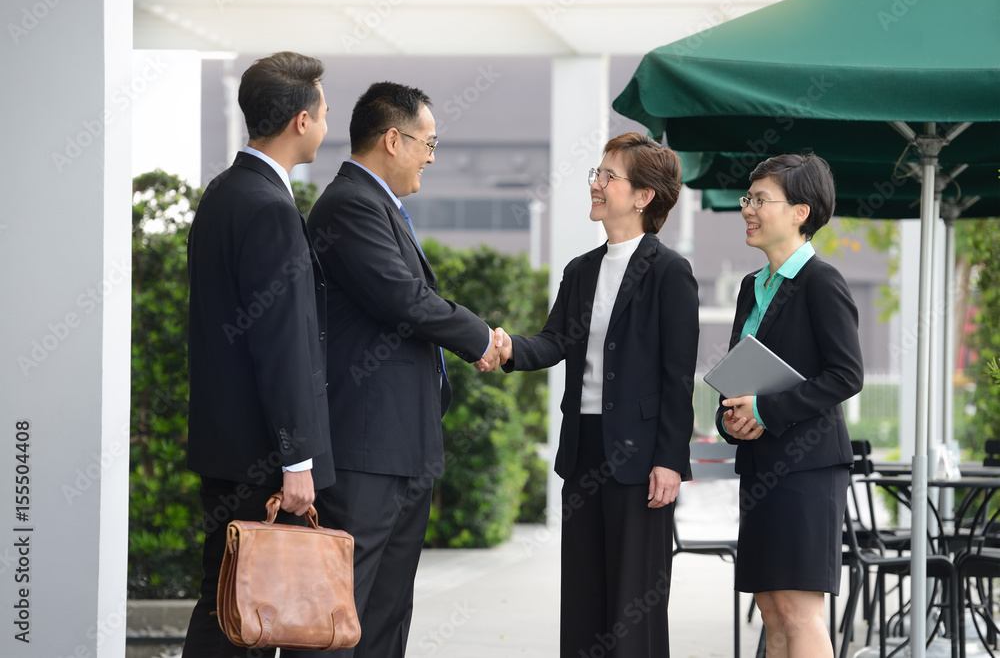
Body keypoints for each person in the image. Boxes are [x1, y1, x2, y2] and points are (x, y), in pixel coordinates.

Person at [306, 81, 504, 658]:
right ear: (393, 139)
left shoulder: (376, 205)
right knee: (339, 614)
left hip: (402, 446)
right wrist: (480, 338)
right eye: (428, 142)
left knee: (387, 615)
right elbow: (403, 298)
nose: (432, 157)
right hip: (365, 452)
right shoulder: (348, 205)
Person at [492, 132, 699, 657]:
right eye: (597, 174)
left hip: (640, 458)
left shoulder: (670, 273)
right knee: (584, 596)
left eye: (609, 176)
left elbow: (678, 376)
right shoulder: (581, 270)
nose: (597, 185)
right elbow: (555, 341)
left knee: (635, 601)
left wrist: (671, 461)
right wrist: (502, 346)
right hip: (584, 449)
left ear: (643, 196)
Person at [184, 51, 334, 658]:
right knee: (247, 614)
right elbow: (281, 342)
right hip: (263, 454)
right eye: (323, 112)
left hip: (227, 443)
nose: (327, 124)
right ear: (301, 120)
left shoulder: (225, 192)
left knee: (224, 600)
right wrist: (297, 459)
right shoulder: (270, 207)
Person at [715, 153, 864, 658]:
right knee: (773, 611)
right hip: (760, 466)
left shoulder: (823, 282)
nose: (748, 209)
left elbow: (847, 375)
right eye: (747, 198)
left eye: (761, 199)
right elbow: (739, 374)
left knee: (800, 612)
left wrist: (766, 411)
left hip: (809, 468)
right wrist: (732, 416)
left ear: (801, 211)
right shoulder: (749, 288)